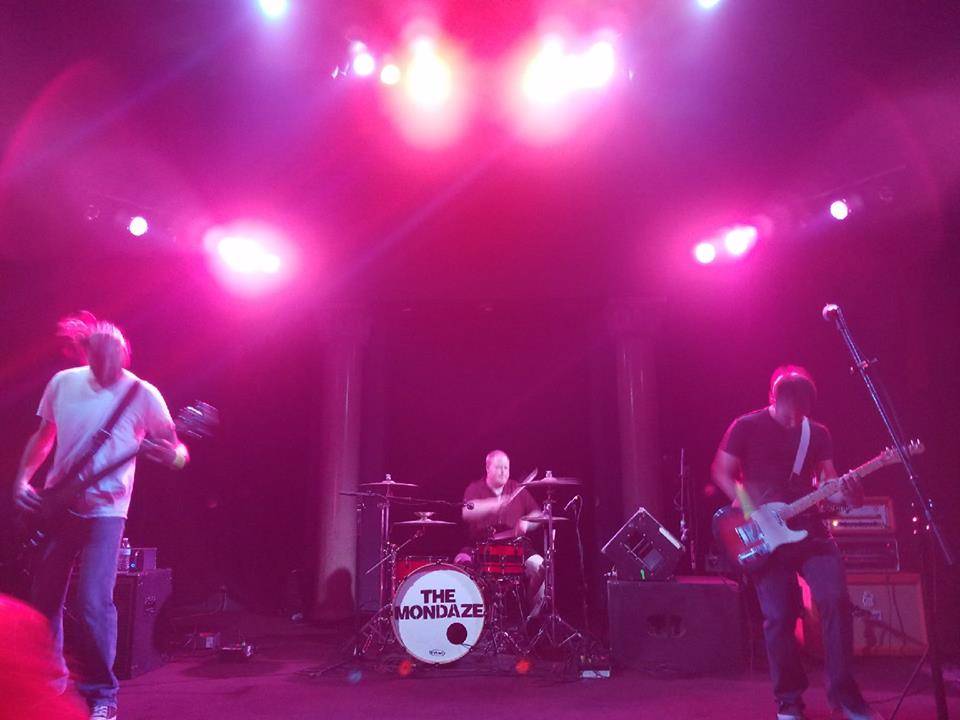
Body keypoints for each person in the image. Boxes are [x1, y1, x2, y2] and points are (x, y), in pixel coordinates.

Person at [12, 314, 188, 720]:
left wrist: (173, 458)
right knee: (44, 601)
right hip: (59, 506)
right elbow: (44, 437)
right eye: (99, 354)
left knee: (93, 602)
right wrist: (23, 480)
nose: (108, 363)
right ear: (87, 352)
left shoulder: (143, 394)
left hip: (107, 512)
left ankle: (102, 694)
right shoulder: (63, 383)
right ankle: (51, 683)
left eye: (115, 354)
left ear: (125, 354)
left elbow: (177, 450)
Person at [712, 365, 879, 720]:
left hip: (810, 531)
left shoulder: (816, 433)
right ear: (772, 399)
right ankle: (789, 702)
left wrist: (850, 494)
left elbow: (830, 484)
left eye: (799, 415)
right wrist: (749, 509)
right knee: (779, 616)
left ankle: (846, 698)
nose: (792, 422)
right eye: (787, 414)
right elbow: (722, 472)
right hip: (765, 533)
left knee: (836, 600)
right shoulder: (746, 426)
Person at [455, 450, 545, 615]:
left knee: (540, 566)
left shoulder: (516, 487)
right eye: (498, 467)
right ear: (487, 468)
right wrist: (494, 504)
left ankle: (533, 619)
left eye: (506, 468)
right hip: (481, 546)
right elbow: (467, 512)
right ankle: (470, 620)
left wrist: (526, 522)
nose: (503, 471)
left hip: (516, 547)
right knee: (460, 564)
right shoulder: (475, 488)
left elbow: (538, 514)